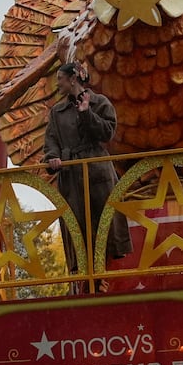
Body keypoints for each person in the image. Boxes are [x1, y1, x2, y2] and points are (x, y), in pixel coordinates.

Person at [44, 61, 132, 273]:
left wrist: (86, 114)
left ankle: (105, 277)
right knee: (76, 225)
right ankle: (86, 278)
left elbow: (107, 133)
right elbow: (52, 140)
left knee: (105, 222)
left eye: (61, 80)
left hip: (97, 170)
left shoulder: (100, 102)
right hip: (71, 175)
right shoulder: (57, 111)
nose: (58, 85)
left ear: (73, 79)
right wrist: (53, 158)